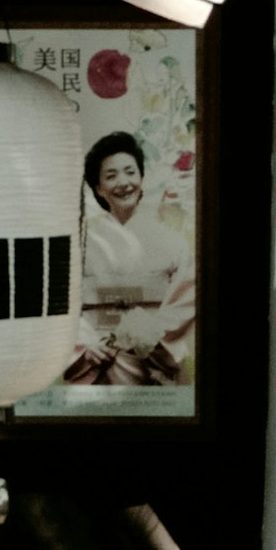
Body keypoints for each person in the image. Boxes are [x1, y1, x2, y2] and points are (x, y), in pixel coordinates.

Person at [65, 129, 195, 387]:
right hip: (97, 359)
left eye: (130, 172)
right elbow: (63, 304)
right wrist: (85, 344)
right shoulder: (80, 245)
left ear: (142, 177)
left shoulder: (173, 243)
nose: (123, 183)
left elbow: (187, 300)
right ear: (99, 189)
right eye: (111, 176)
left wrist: (144, 331)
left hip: (153, 358)